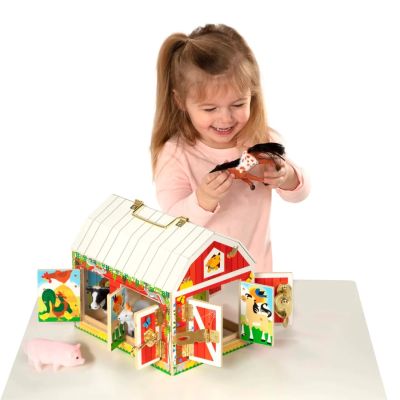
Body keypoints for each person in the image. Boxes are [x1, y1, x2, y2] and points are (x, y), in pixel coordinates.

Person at [150, 24, 310, 272]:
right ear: (180, 101)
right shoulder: (176, 155)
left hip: (255, 275)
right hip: (198, 280)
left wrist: (286, 176)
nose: (225, 119)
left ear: (252, 96)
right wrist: (202, 200)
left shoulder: (261, 141)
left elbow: (300, 193)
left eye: (238, 104)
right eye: (210, 109)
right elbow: (172, 225)